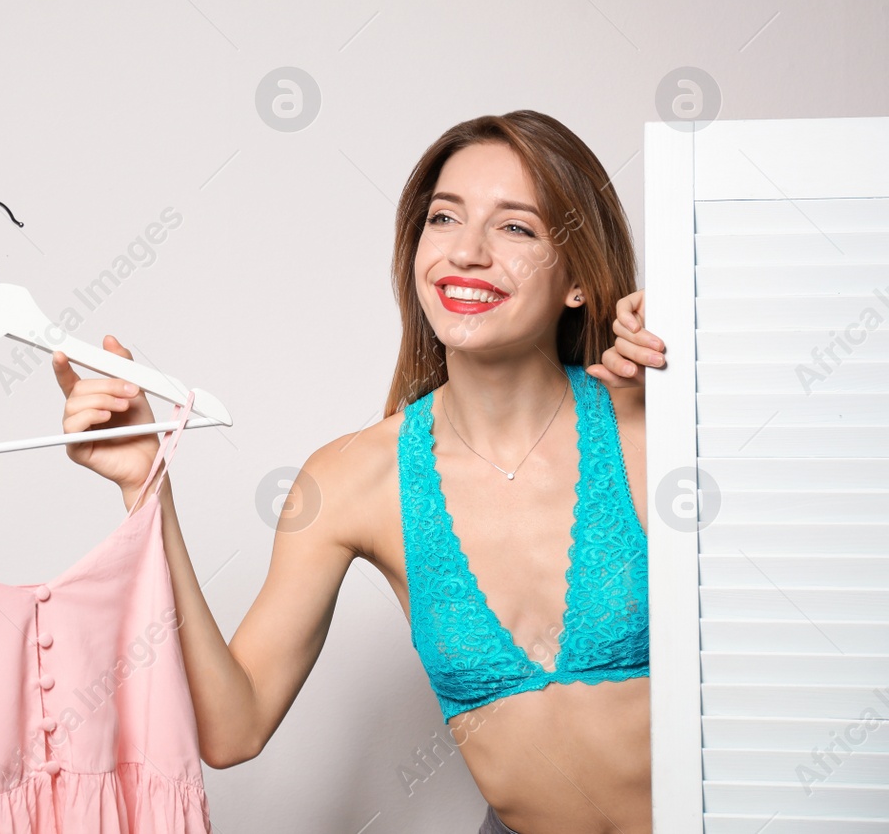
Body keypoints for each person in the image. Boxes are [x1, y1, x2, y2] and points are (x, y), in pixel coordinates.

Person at [52, 110, 668, 834]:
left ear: (577, 279)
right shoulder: (352, 480)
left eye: (516, 227)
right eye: (444, 218)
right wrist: (145, 487)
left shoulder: (654, 424)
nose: (466, 251)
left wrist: (715, 352)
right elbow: (234, 725)